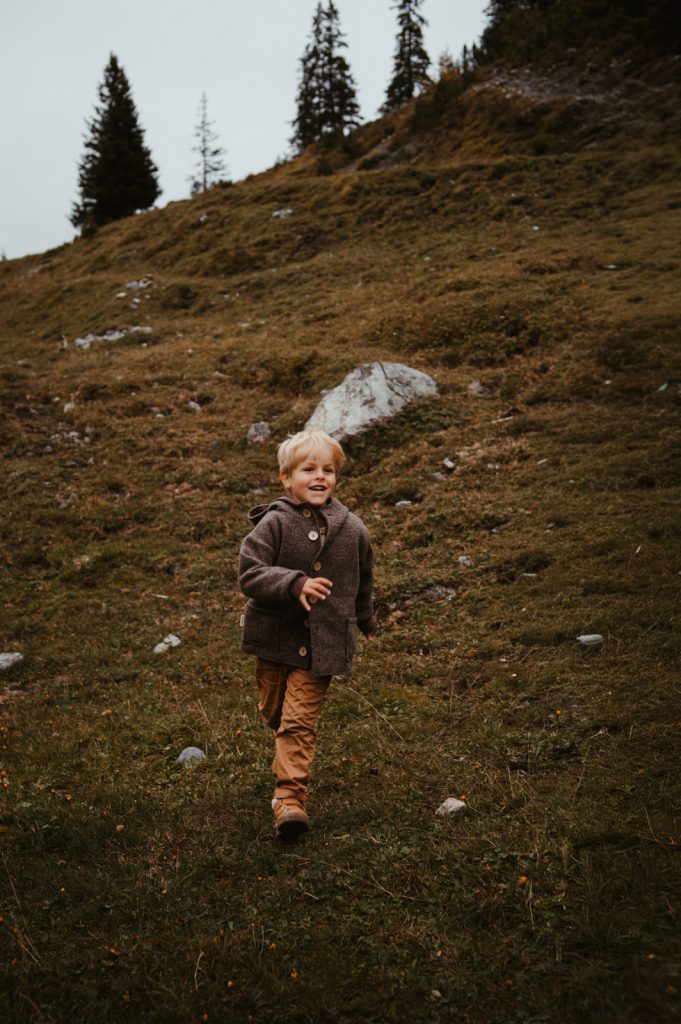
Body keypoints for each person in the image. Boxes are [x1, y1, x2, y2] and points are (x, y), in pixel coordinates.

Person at [238, 429, 377, 840]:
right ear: (286, 478)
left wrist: (365, 616)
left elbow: (363, 576)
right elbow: (250, 572)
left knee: (298, 723)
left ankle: (290, 801)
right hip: (274, 638)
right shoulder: (274, 523)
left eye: (328, 470)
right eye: (309, 469)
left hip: (325, 644)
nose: (320, 477)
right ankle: (286, 755)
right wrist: (294, 584)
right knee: (275, 713)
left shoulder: (353, 528)